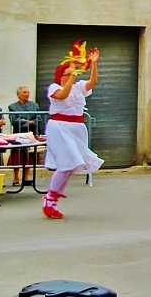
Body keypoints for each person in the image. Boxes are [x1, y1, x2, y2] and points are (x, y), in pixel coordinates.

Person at [43, 47, 104, 219]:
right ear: (60, 75)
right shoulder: (54, 87)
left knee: (69, 167)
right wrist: (71, 76)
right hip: (59, 128)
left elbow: (93, 82)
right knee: (65, 164)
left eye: (73, 72)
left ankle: (52, 200)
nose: (72, 75)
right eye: (67, 73)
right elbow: (62, 95)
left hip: (76, 128)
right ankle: (49, 199)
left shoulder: (79, 87)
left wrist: (94, 64)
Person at [8, 86, 42, 185]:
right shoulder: (12, 106)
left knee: (30, 156)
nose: (27, 94)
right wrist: (28, 122)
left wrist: (30, 122)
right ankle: (16, 178)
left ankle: (26, 178)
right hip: (19, 134)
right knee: (17, 155)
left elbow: (38, 118)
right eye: (24, 92)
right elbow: (14, 120)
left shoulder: (35, 105)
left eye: (28, 92)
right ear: (18, 95)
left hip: (31, 134)